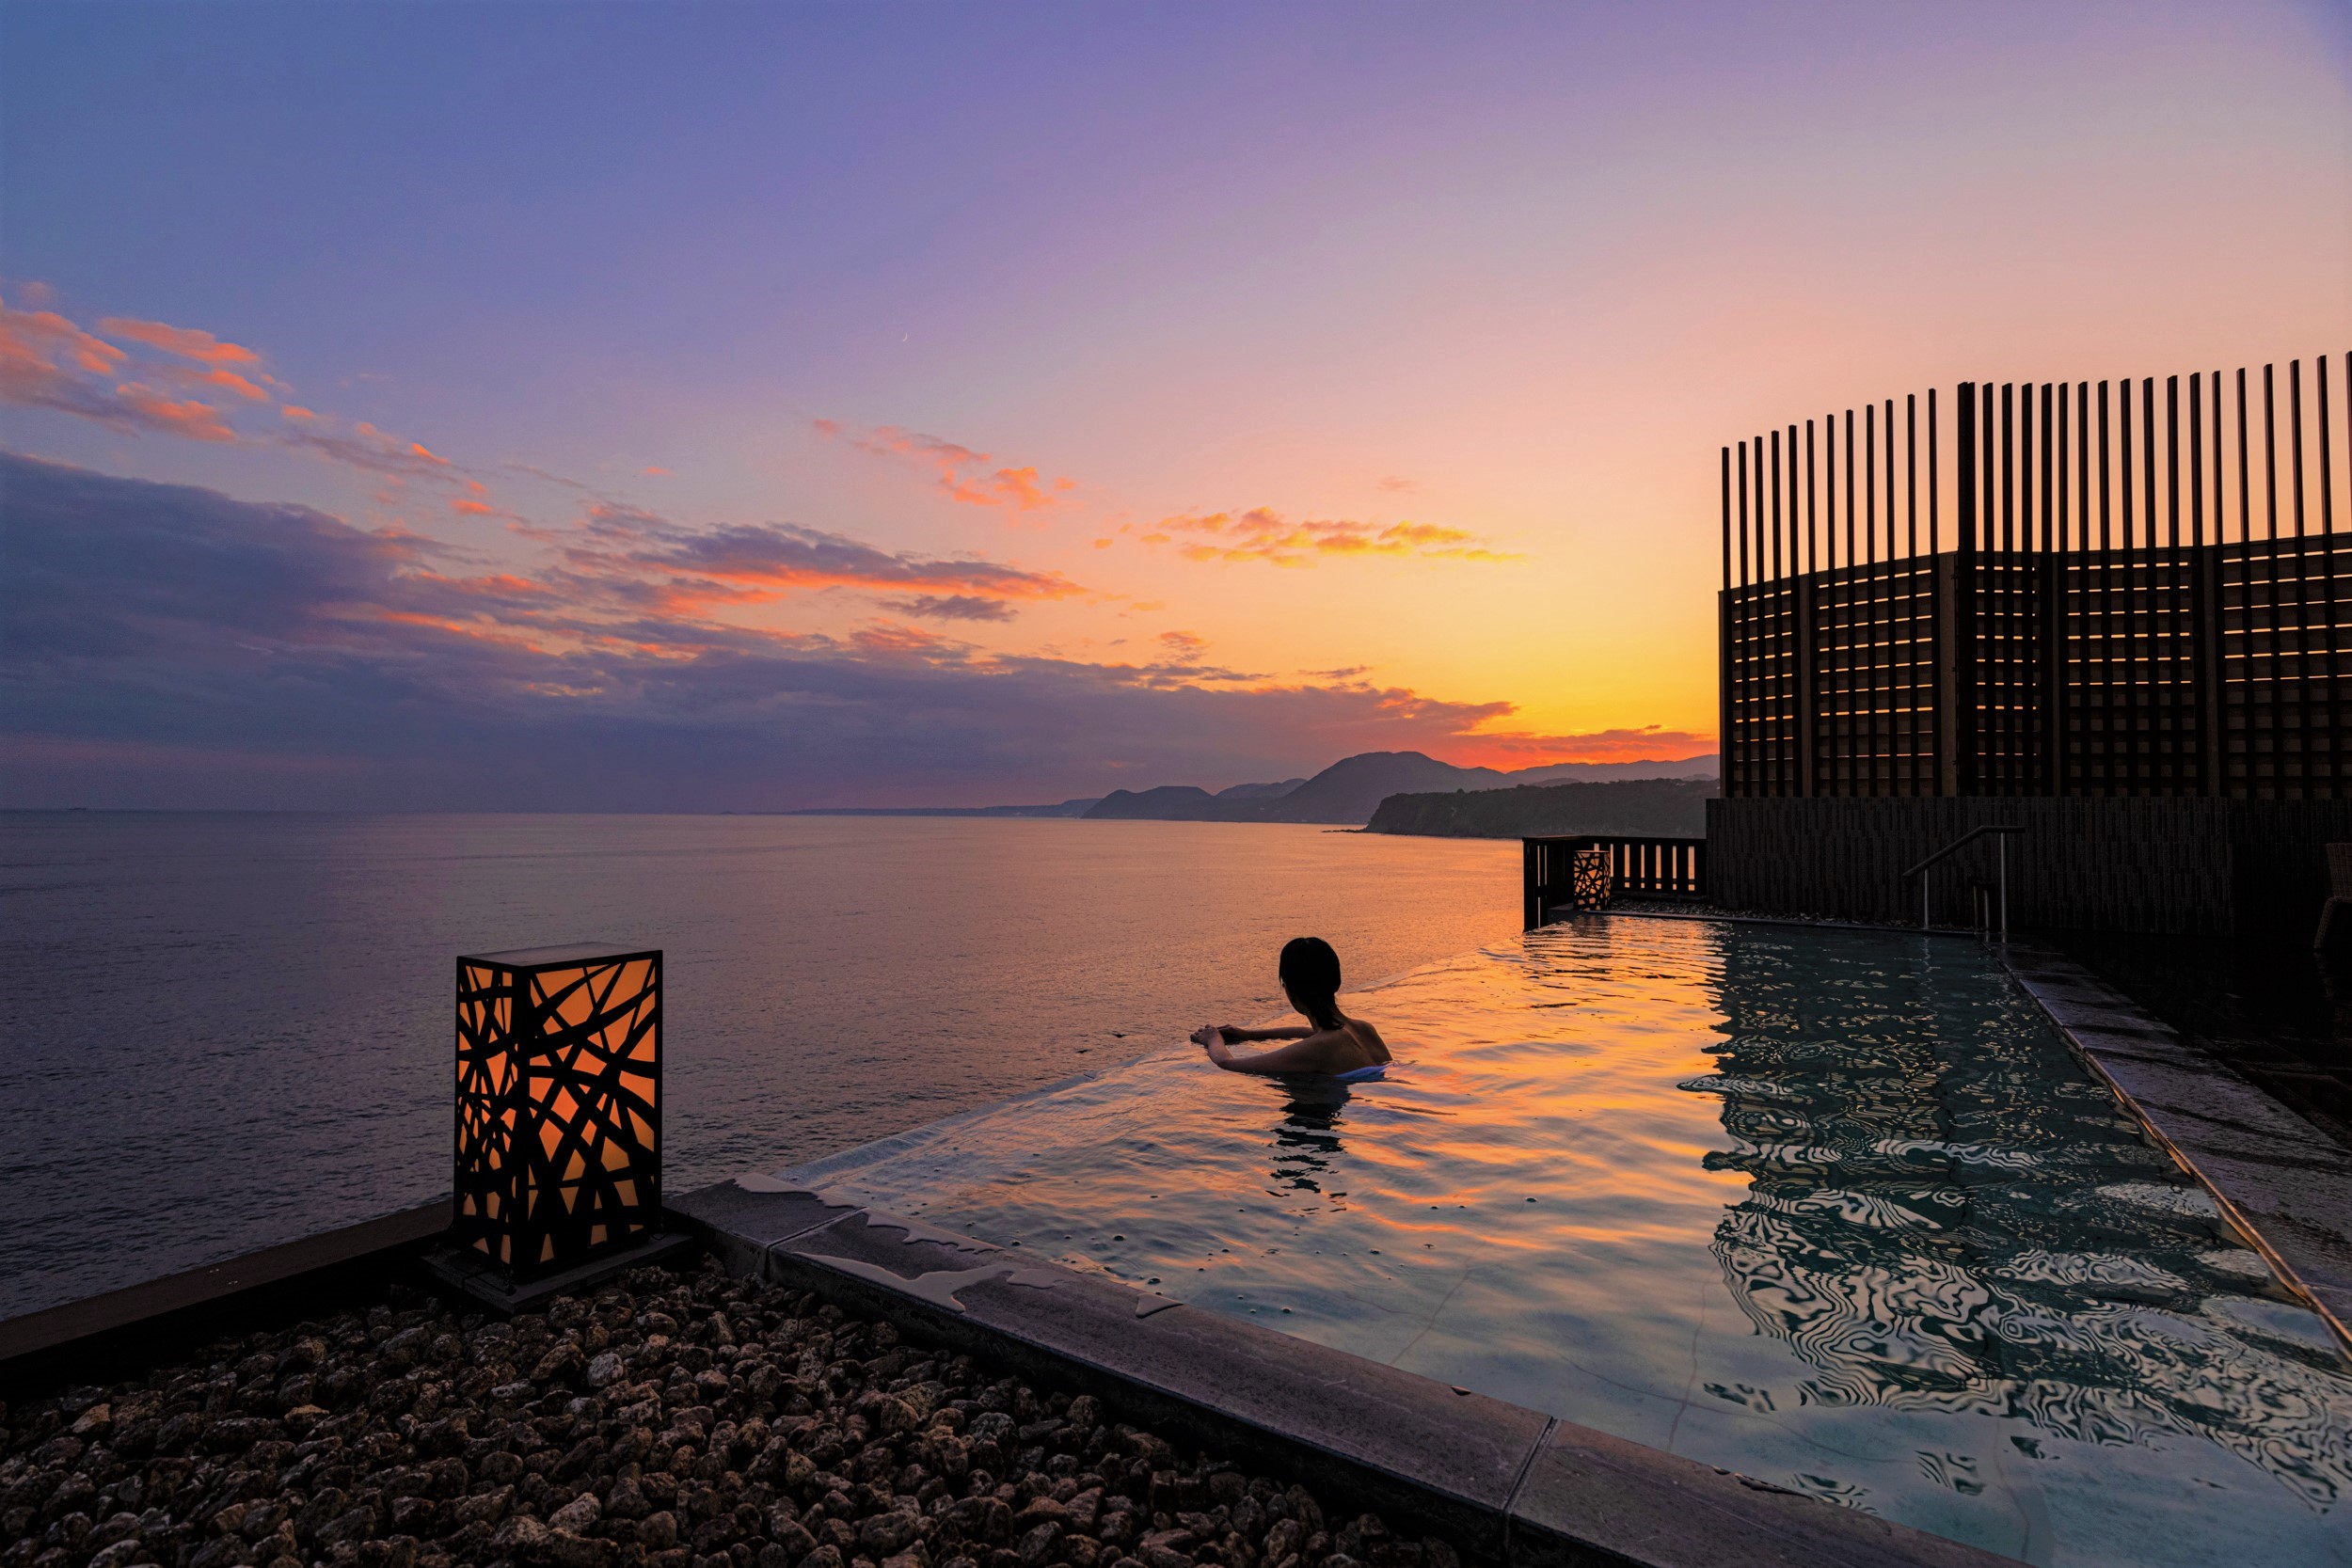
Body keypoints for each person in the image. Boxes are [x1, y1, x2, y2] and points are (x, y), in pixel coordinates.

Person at [1192, 936, 1392, 1079]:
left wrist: (1212, 1039)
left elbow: (1228, 1064)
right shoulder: (1364, 1029)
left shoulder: (1320, 1048)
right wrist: (1249, 1034)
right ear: (1336, 982)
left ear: (1290, 991)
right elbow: (1312, 1034)